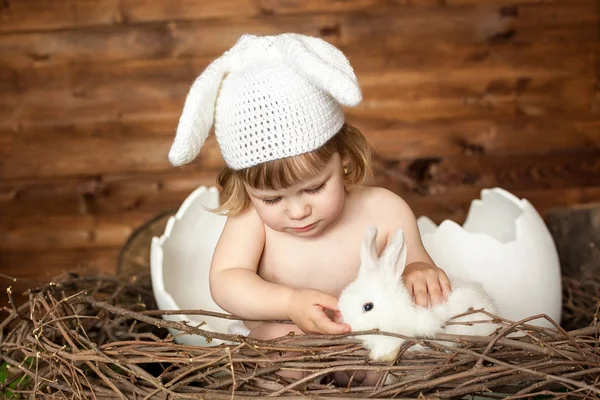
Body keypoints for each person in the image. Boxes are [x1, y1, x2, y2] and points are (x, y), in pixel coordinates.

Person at [168, 33, 451, 383]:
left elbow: (413, 262)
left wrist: (419, 271)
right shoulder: (251, 221)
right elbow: (226, 281)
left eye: (314, 188)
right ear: (245, 188)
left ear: (344, 161)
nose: (298, 210)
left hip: (363, 339)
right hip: (287, 340)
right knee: (281, 346)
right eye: (272, 199)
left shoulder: (386, 210)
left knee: (394, 360)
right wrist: (289, 303)